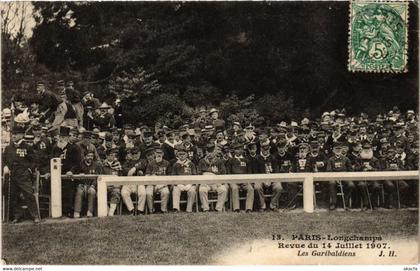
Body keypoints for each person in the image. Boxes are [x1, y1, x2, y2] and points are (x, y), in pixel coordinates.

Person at [3, 125, 40, 223]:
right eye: (12, 134)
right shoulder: (8, 148)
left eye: (16, 134)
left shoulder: (27, 147)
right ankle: (17, 216)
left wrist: (29, 170)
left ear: (22, 135)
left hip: (24, 176)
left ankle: (35, 216)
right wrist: (5, 166)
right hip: (12, 175)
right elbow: (4, 160)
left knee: (29, 195)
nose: (13, 136)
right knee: (14, 196)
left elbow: (34, 161)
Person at [71, 150, 103, 218]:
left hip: (91, 185)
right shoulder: (80, 164)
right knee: (79, 192)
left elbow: (97, 177)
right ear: (85, 156)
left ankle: (90, 211)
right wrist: (70, 172)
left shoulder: (96, 165)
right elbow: (72, 170)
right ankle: (77, 212)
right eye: (88, 156)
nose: (90, 157)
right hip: (81, 185)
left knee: (92, 192)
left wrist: (93, 186)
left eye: (91, 156)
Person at [197, 147, 228, 212]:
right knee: (202, 190)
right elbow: (199, 173)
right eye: (208, 152)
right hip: (205, 182)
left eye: (211, 152)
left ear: (215, 152)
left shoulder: (219, 161)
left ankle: (218, 208)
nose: (209, 154)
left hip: (216, 182)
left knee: (223, 189)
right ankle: (206, 208)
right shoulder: (202, 161)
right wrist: (208, 172)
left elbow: (223, 173)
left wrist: (219, 181)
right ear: (206, 152)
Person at [254, 139, 281, 211]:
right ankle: (262, 205)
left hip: (272, 178)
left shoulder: (273, 158)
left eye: (268, 150)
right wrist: (263, 180)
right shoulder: (257, 158)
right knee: (257, 187)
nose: (266, 151)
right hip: (260, 179)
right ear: (261, 149)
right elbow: (255, 172)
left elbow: (276, 171)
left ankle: (273, 204)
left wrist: (271, 179)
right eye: (264, 149)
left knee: (279, 187)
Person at [326, 142, 354, 210]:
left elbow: (351, 170)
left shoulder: (346, 159)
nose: (338, 150)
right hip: (334, 178)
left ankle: (346, 203)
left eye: (339, 149)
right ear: (333, 150)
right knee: (331, 183)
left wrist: (346, 177)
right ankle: (333, 203)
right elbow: (329, 171)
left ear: (342, 150)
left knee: (351, 185)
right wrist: (336, 178)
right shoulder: (330, 159)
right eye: (336, 149)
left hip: (345, 177)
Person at [227, 142, 253, 212]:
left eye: (239, 149)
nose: (237, 151)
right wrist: (232, 181)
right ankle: (236, 208)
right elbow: (229, 173)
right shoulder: (231, 160)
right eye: (236, 149)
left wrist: (248, 181)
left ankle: (249, 208)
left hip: (245, 181)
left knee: (250, 189)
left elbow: (249, 172)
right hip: (234, 181)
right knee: (234, 188)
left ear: (242, 150)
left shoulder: (246, 160)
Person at [171, 144, 197, 213]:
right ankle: (176, 208)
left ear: (186, 155)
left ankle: (189, 209)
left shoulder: (191, 164)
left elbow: (195, 176)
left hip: (189, 183)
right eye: (180, 154)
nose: (182, 156)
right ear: (177, 155)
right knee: (175, 190)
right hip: (179, 183)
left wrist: (191, 184)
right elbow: (173, 176)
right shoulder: (175, 164)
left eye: (183, 154)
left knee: (192, 191)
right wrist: (178, 184)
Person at [145, 147, 171, 213]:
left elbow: (169, 176)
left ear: (163, 154)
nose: (159, 154)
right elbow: (147, 175)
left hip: (163, 184)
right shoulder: (151, 163)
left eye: (160, 153)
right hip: (152, 184)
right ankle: (151, 210)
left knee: (166, 192)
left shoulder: (167, 163)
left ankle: (163, 209)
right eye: (157, 153)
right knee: (148, 193)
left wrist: (163, 184)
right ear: (154, 154)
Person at [103, 148, 123, 216]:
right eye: (110, 155)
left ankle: (111, 212)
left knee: (116, 192)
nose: (111, 157)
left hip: (115, 185)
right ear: (106, 156)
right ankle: (107, 209)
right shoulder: (103, 165)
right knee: (100, 192)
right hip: (105, 186)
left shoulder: (118, 164)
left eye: (113, 155)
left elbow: (120, 176)